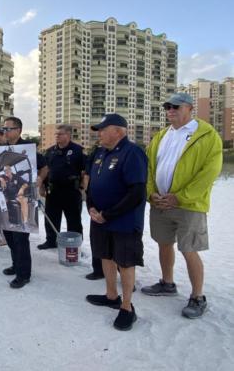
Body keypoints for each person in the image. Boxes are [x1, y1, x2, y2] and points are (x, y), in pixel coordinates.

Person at [141, 93, 223, 319]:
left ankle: (198, 297)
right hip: (160, 203)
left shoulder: (206, 135)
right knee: (163, 244)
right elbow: (149, 168)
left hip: (189, 205)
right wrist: (151, 194)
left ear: (189, 108)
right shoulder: (161, 136)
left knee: (189, 249)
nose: (170, 110)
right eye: (167, 106)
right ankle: (167, 283)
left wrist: (181, 197)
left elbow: (210, 172)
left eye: (175, 106)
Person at [85, 114, 147, 331]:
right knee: (106, 256)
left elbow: (137, 193)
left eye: (103, 129)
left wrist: (108, 214)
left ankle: (127, 307)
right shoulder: (100, 153)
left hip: (124, 221)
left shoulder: (133, 153)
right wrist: (91, 207)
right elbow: (91, 184)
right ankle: (111, 295)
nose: (99, 133)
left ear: (119, 131)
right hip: (99, 219)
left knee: (125, 261)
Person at [0, 116, 47, 289]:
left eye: (8, 129)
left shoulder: (28, 148)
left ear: (18, 130)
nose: (5, 132)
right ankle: (16, 265)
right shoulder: (3, 149)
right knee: (11, 236)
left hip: (24, 201)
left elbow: (44, 166)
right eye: (3, 129)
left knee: (21, 238)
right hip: (9, 202)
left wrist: (40, 180)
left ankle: (24, 274)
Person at [38, 124, 85, 251]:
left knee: (74, 220)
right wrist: (42, 186)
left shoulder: (78, 151)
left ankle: (75, 244)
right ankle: (51, 241)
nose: (57, 136)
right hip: (53, 191)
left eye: (60, 134)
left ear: (68, 135)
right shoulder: (50, 151)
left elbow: (85, 171)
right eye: (56, 134)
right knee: (51, 218)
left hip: (71, 191)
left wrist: (82, 187)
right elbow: (44, 170)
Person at [83, 143, 104, 280]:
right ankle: (98, 270)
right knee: (96, 239)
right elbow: (87, 174)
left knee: (118, 245)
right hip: (96, 203)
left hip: (116, 206)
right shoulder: (97, 152)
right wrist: (89, 202)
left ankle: (127, 278)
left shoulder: (128, 152)